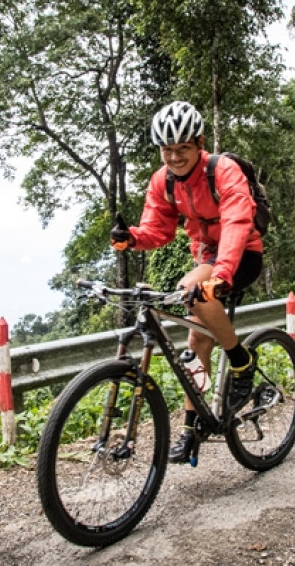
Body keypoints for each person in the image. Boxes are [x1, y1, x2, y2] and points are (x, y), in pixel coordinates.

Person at [109, 100, 263, 464]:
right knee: (195, 342)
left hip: (243, 254)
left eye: (183, 148)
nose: (175, 157)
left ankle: (241, 361)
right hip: (209, 257)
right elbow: (157, 230)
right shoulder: (163, 180)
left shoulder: (222, 171)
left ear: (199, 142)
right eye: (167, 150)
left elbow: (239, 223)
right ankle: (193, 426)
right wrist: (130, 237)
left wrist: (222, 274)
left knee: (189, 290)